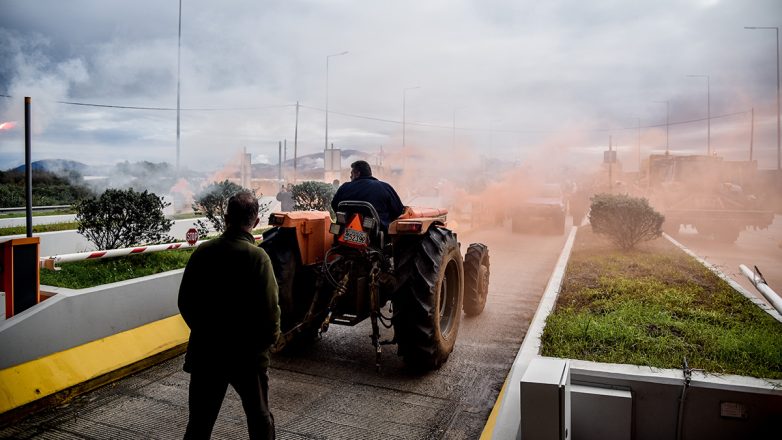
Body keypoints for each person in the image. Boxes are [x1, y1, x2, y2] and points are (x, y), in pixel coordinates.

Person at [178, 191, 281, 440]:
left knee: (200, 423)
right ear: (256, 222)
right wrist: (267, 343)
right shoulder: (258, 258)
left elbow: (185, 302)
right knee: (259, 420)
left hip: (206, 353)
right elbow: (270, 312)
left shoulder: (203, 252)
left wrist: (206, 332)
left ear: (225, 218)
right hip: (247, 356)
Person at [331, 160, 405, 230]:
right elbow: (398, 211)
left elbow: (335, 205)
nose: (350, 177)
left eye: (352, 174)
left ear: (357, 174)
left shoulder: (344, 187)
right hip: (376, 234)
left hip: (344, 230)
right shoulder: (385, 187)